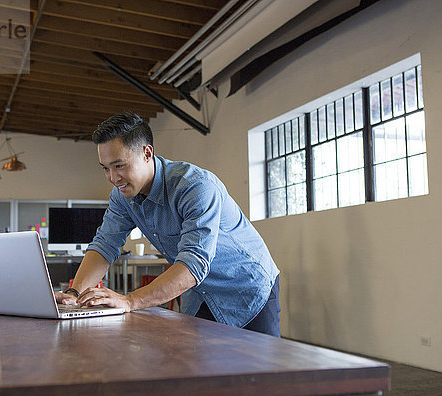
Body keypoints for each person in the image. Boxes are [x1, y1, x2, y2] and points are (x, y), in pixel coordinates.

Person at [54, 112, 281, 337]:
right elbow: (105, 244)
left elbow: (194, 263)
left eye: (119, 165)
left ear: (147, 153)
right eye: (105, 168)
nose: (113, 178)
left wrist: (130, 300)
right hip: (199, 293)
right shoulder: (121, 196)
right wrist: (74, 293)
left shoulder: (195, 187)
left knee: (262, 369)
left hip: (246, 288)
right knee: (194, 367)